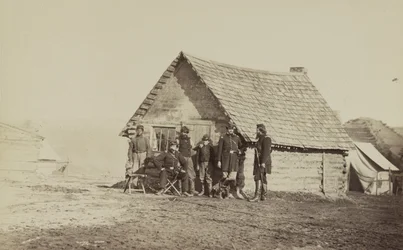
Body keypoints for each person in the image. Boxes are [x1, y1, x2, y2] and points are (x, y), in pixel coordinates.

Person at [216, 122, 242, 199]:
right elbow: (220, 150)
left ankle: (221, 190)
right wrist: (219, 160)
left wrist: (239, 151)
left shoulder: (237, 138)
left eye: (232, 129)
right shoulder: (223, 137)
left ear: (233, 130)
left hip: (234, 160)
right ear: (227, 129)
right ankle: (222, 193)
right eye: (229, 129)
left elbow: (241, 147)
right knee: (224, 176)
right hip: (225, 159)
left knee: (232, 177)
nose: (230, 130)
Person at [249, 124, 272, 202]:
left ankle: (257, 196)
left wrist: (263, 162)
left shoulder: (266, 139)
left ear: (261, 130)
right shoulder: (260, 139)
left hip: (262, 162)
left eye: (257, 130)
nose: (256, 131)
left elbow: (266, 151)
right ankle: (263, 196)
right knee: (262, 177)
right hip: (259, 162)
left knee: (258, 177)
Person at [177, 126, 198, 196]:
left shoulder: (190, 140)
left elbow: (193, 148)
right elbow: (176, 150)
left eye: (186, 132)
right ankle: (180, 190)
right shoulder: (178, 140)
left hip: (189, 158)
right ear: (181, 132)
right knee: (181, 173)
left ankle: (192, 190)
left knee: (191, 174)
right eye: (183, 132)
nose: (185, 134)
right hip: (181, 158)